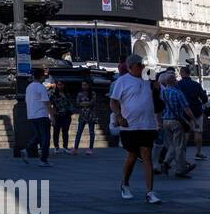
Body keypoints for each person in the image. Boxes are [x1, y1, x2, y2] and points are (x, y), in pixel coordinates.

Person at [109, 55, 161, 204]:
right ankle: (125, 184)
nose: (142, 67)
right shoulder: (122, 81)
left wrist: (156, 84)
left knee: (146, 155)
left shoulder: (148, 76)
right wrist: (119, 116)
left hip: (148, 124)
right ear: (130, 67)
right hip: (130, 125)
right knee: (132, 155)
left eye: (142, 64)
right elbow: (113, 101)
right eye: (139, 65)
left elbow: (159, 82)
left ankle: (150, 192)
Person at [157, 72, 194, 178]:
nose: (177, 81)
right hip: (176, 121)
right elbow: (186, 109)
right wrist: (194, 120)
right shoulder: (178, 93)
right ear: (173, 81)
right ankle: (180, 170)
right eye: (175, 79)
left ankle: (166, 162)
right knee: (179, 146)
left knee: (172, 145)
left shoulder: (162, 93)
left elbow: (159, 108)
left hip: (165, 121)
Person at [22, 68, 54, 166]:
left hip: (32, 115)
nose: (45, 77)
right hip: (42, 115)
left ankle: (27, 149)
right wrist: (52, 116)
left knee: (38, 136)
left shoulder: (29, 87)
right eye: (43, 75)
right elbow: (47, 102)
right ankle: (43, 160)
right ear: (40, 76)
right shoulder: (41, 87)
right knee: (45, 137)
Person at [177, 66, 208, 161]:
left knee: (185, 133)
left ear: (181, 73)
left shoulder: (178, 85)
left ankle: (183, 153)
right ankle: (198, 152)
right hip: (196, 110)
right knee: (198, 132)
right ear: (189, 73)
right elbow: (204, 98)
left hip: (184, 111)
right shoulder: (196, 84)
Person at [73, 80, 98, 155]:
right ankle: (75, 148)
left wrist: (84, 103)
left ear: (89, 85)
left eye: (85, 85)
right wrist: (85, 103)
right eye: (83, 85)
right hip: (82, 115)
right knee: (79, 132)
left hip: (91, 115)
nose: (84, 86)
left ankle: (90, 148)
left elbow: (92, 103)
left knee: (91, 132)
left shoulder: (93, 93)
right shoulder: (80, 94)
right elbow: (77, 103)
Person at [51, 82, 74, 155]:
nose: (60, 86)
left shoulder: (67, 94)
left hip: (66, 115)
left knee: (65, 131)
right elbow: (50, 104)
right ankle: (56, 147)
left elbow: (70, 104)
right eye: (58, 84)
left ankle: (65, 147)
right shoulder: (54, 95)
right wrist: (51, 115)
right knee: (56, 131)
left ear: (64, 85)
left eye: (61, 84)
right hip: (57, 115)